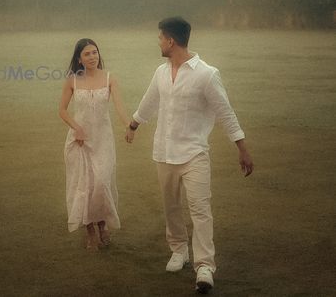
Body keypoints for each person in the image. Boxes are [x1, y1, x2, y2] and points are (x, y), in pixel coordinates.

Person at [125, 17, 254, 294]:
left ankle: (205, 266)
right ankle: (179, 250)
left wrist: (242, 148)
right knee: (171, 206)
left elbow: (225, 112)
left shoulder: (207, 74)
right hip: (164, 152)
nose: (158, 42)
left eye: (161, 38)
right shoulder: (161, 72)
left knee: (200, 209)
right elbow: (149, 101)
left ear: (171, 41)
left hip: (194, 153)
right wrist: (134, 124)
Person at [59, 38, 132, 250]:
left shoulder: (109, 78)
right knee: (84, 186)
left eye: (95, 52)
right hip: (79, 141)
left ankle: (103, 224)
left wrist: (129, 125)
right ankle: (91, 230)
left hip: (103, 140)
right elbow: (62, 110)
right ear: (79, 59)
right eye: (87, 54)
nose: (92, 57)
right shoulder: (72, 81)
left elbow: (119, 106)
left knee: (101, 183)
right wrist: (77, 128)